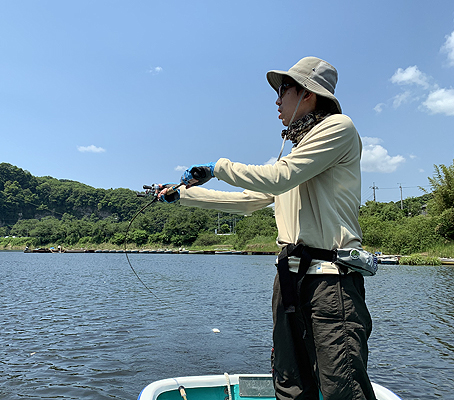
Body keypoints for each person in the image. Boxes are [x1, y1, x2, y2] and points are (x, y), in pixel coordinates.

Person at [157, 57, 376, 400]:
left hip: (330, 282)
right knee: (290, 384)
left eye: (283, 89)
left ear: (308, 94)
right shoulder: (297, 152)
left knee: (342, 387)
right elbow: (248, 201)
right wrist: (181, 196)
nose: (277, 99)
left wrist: (218, 167)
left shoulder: (338, 128)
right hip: (288, 281)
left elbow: (279, 178)